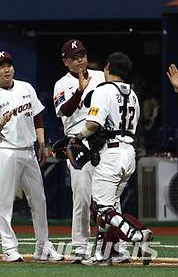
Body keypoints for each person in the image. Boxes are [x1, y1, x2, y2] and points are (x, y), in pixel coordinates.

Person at [0, 51, 63, 263]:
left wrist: (42, 144)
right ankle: (9, 248)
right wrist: (1, 123)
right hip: (7, 151)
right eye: (1, 66)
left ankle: (43, 247)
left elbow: (38, 117)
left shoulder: (26, 87)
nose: (7, 69)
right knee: (6, 201)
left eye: (9, 64)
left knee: (39, 199)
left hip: (29, 150)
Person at [79, 52, 153, 266]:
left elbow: (93, 124)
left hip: (111, 153)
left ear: (108, 67)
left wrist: (77, 136)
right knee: (110, 208)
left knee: (102, 208)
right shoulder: (134, 94)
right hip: (129, 153)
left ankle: (138, 235)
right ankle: (104, 255)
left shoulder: (103, 91)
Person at [52, 39, 106, 261]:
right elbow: (63, 110)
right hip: (78, 144)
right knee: (82, 197)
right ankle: (80, 247)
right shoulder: (62, 84)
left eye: (82, 54)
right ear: (66, 61)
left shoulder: (101, 77)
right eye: (74, 57)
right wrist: (79, 92)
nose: (80, 59)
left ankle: (111, 247)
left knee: (108, 199)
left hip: (102, 141)